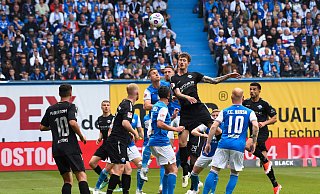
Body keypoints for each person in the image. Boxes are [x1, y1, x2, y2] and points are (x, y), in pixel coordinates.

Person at [170, 52, 240, 187]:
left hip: (198, 108)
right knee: (182, 142)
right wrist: (186, 97)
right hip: (186, 112)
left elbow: (213, 81)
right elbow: (177, 93)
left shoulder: (194, 75)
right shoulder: (174, 78)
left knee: (217, 130)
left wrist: (228, 76)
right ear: (178, 62)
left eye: (184, 60)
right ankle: (185, 172)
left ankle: (226, 154)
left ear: (188, 63)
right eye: (180, 60)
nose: (182, 62)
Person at [203, 88, 259, 194]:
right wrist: (254, 142)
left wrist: (208, 143)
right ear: (243, 98)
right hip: (238, 145)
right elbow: (255, 126)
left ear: (231, 97)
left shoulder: (225, 111)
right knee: (234, 173)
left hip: (224, 144)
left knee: (214, 170)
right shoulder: (249, 112)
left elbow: (214, 126)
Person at [40, 84, 90, 194]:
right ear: (71, 93)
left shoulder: (50, 109)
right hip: (70, 146)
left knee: (67, 180)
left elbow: (42, 127)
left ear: (59, 94)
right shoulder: (70, 106)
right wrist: (81, 136)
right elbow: (72, 122)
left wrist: (53, 126)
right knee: (81, 175)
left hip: (57, 148)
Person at [95, 83, 140, 194]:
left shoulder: (123, 103)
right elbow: (125, 123)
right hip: (118, 141)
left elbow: (118, 122)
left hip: (120, 140)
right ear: (137, 93)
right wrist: (135, 133)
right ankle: (109, 192)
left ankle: (126, 192)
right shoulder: (128, 105)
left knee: (127, 169)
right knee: (119, 168)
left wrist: (128, 133)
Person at [243, 82, 282, 194]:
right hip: (252, 132)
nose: (252, 91)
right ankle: (275, 185)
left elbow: (274, 118)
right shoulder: (246, 103)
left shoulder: (264, 104)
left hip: (262, 132)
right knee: (265, 165)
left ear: (259, 91)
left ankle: (266, 161)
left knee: (247, 145)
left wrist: (265, 123)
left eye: (254, 89)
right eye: (250, 89)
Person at [149, 86, 185, 194]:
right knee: (174, 169)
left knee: (167, 170)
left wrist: (172, 117)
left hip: (154, 141)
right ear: (168, 95)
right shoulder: (163, 108)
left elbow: (158, 122)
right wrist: (175, 128)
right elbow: (160, 124)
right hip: (161, 141)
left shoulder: (155, 106)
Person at [186, 109, 221, 194]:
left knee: (214, 173)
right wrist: (203, 135)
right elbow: (193, 131)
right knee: (194, 173)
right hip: (206, 153)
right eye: (213, 115)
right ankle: (195, 189)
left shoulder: (224, 125)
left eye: (217, 115)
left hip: (219, 153)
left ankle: (212, 192)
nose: (215, 117)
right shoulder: (207, 125)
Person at [88, 100, 114, 190]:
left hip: (112, 146)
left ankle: (121, 185)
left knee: (111, 169)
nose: (106, 107)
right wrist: (99, 138)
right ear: (101, 107)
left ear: (110, 107)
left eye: (108, 105)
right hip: (104, 144)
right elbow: (101, 131)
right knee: (92, 163)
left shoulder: (113, 118)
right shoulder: (100, 119)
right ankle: (106, 179)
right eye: (104, 105)